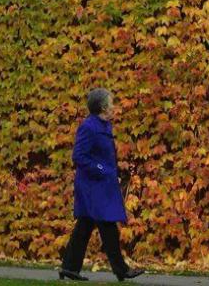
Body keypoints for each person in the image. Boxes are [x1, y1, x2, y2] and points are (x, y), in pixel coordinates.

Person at [59, 88, 146, 282]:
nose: (114, 107)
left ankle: (69, 268)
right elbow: (79, 156)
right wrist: (103, 170)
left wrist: (109, 173)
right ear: (102, 107)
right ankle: (121, 270)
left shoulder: (103, 125)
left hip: (99, 185)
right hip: (92, 186)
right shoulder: (89, 127)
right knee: (107, 225)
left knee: (85, 226)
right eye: (111, 103)